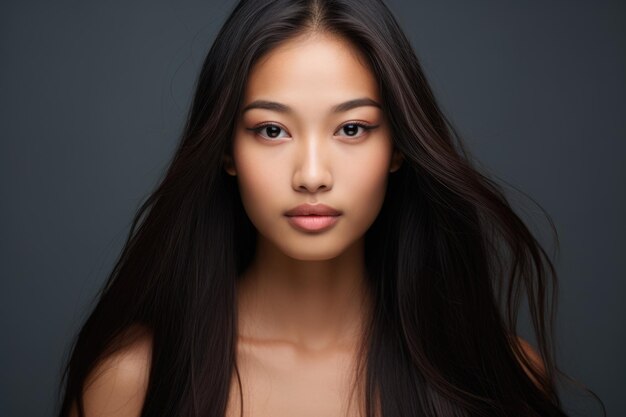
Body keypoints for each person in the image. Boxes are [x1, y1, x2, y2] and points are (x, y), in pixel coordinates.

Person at [56, 1, 599, 416]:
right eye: (271, 130)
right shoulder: (133, 381)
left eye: (352, 128)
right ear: (226, 150)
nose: (311, 174)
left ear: (398, 148)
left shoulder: (502, 376)